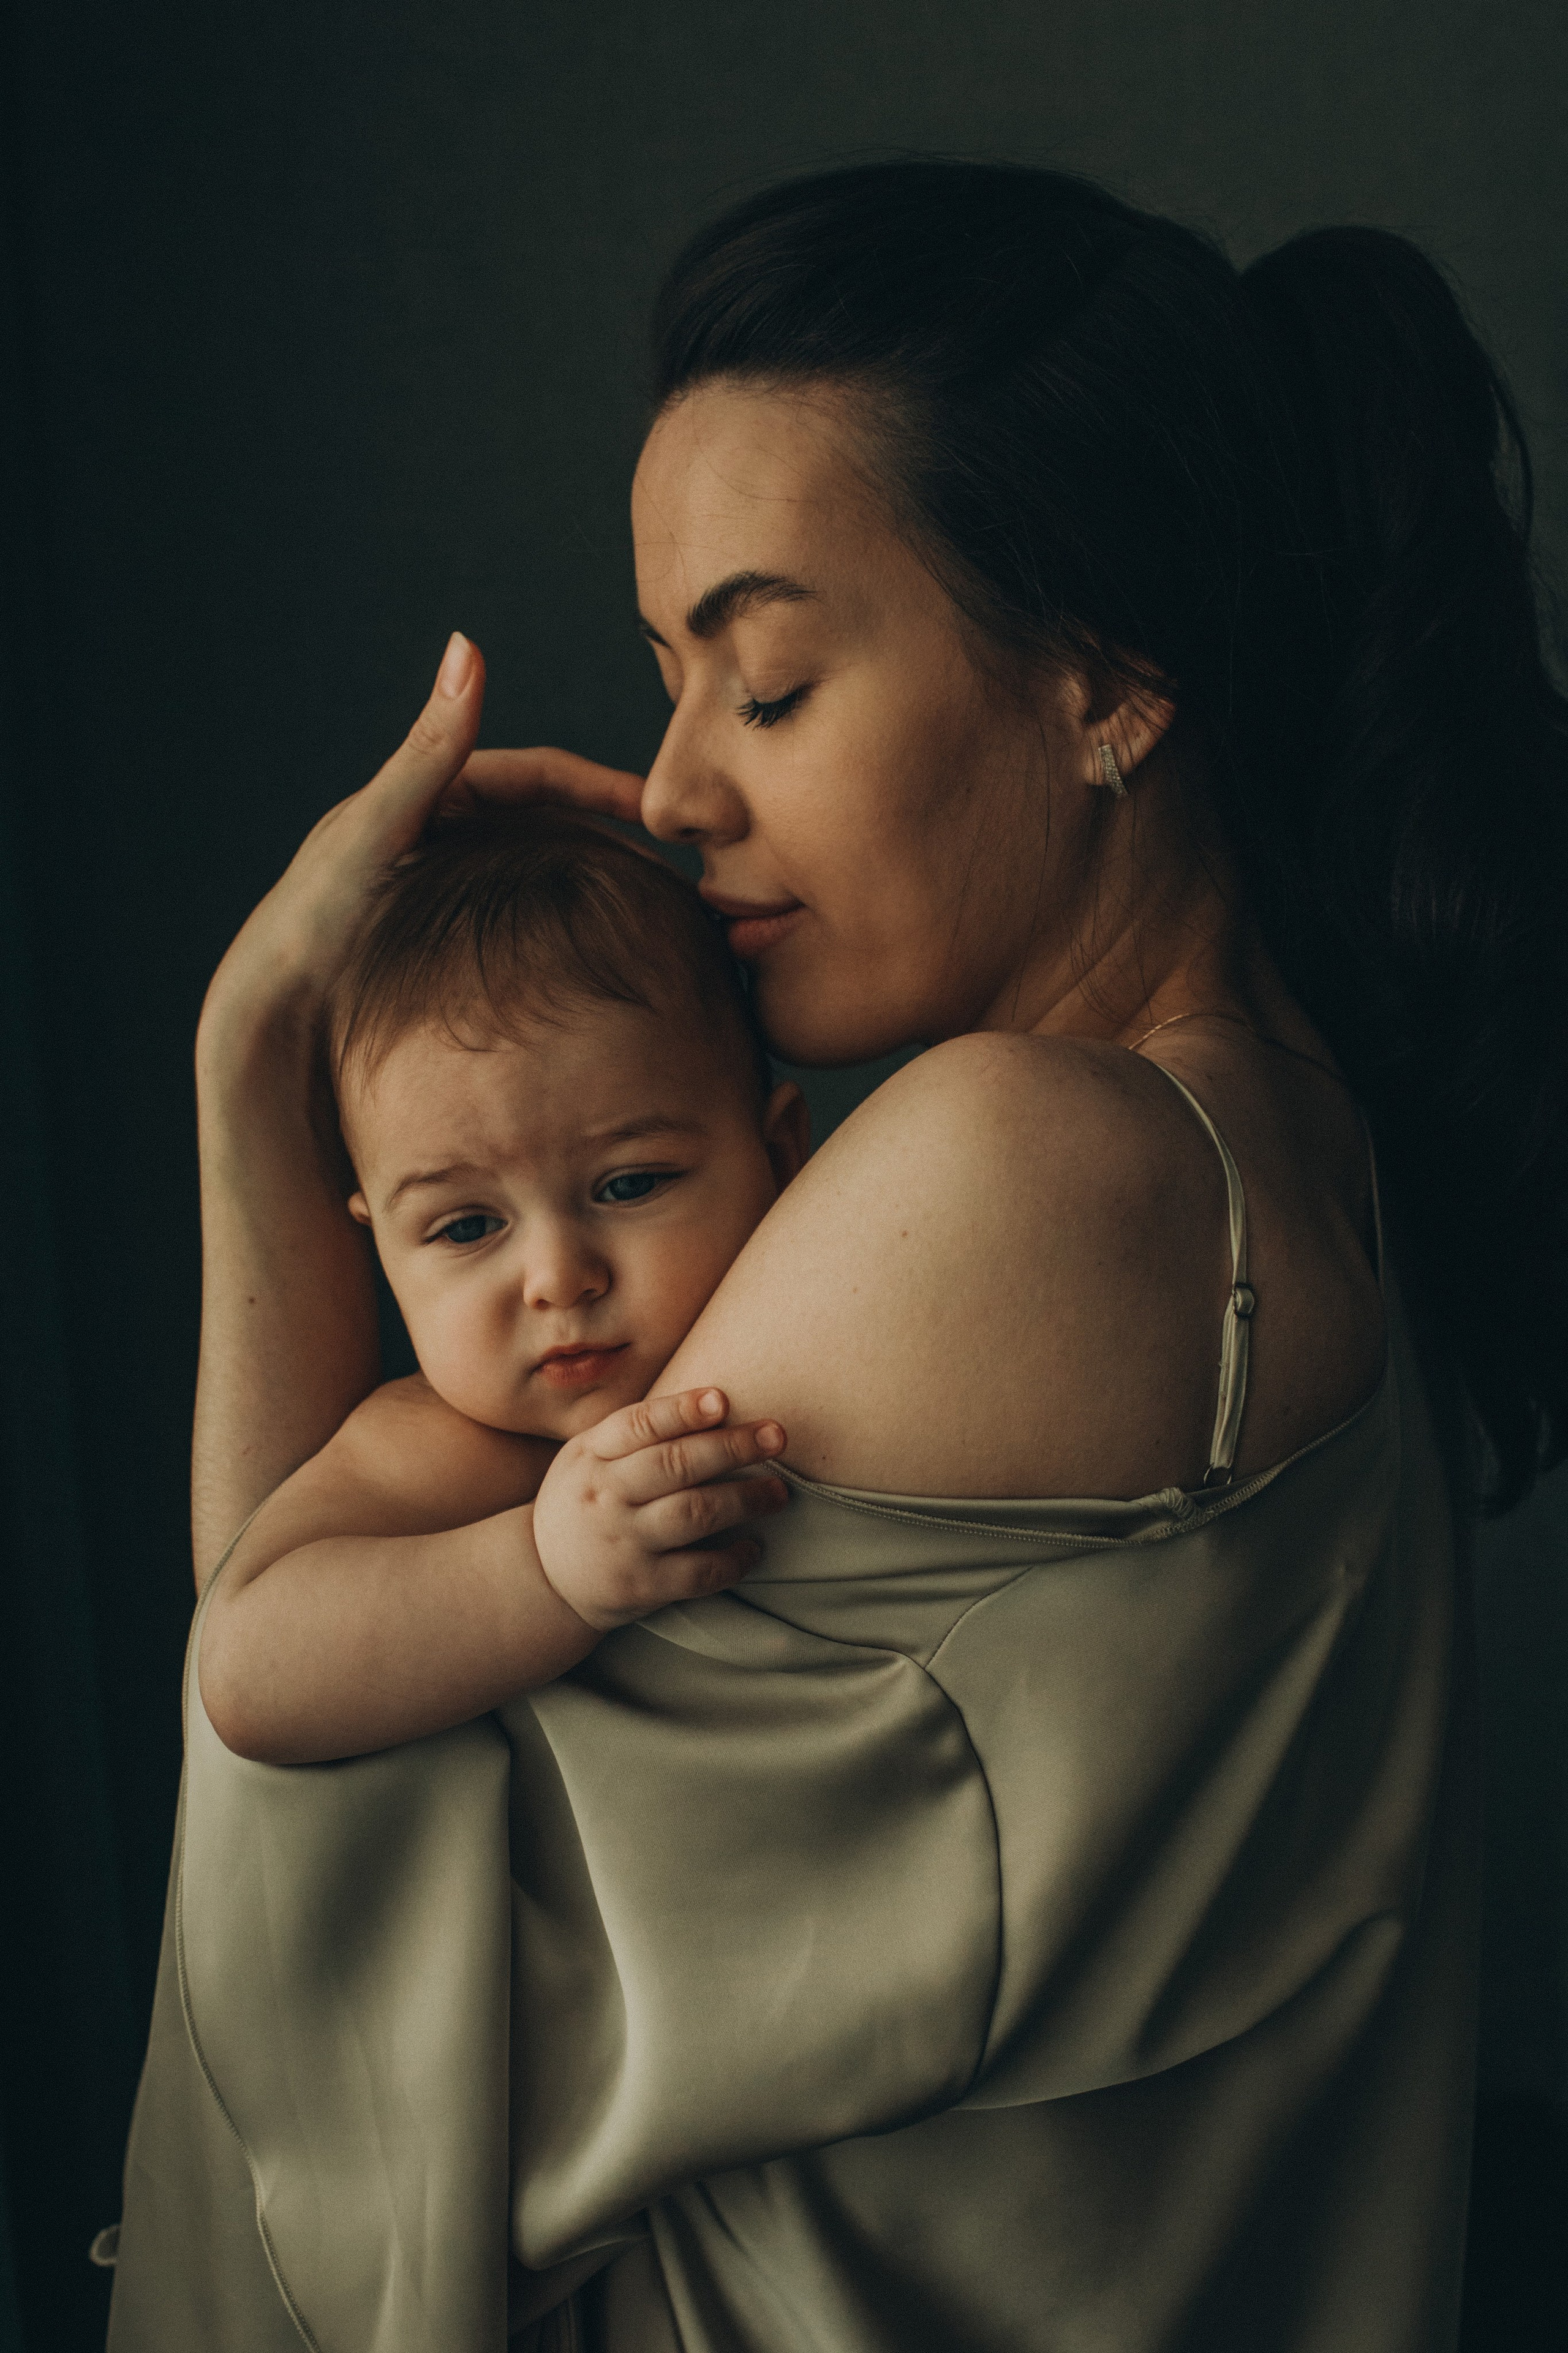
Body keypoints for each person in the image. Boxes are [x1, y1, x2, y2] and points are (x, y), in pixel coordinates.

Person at [110, 161, 1567, 2352]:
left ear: (1108, 679)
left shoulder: (1007, 1171)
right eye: (666, 675)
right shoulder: (1295, 1129)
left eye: (770, 687)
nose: (678, 788)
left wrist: (257, 1066)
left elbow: (306, 1774)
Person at [197, 807, 810, 1767]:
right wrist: (542, 1568)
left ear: (778, 1154)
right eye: (468, 1226)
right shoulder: (440, 1448)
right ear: (383, 1245)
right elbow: (243, 1672)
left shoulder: (827, 1324)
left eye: (630, 1184)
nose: (559, 1277)